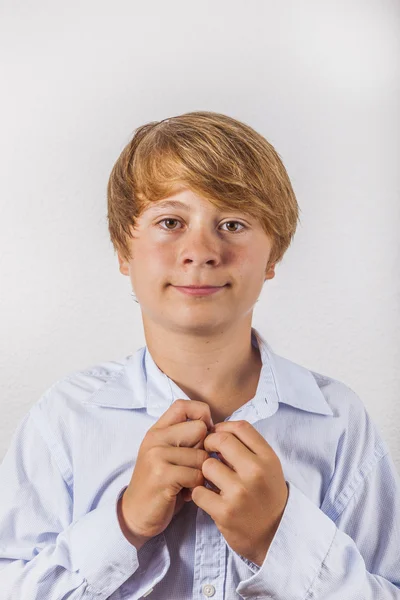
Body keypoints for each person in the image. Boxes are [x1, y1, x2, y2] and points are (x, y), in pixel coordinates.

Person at [0, 111, 399, 599]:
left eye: (232, 223)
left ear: (273, 256)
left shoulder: (339, 423)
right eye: (170, 221)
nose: (201, 251)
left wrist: (279, 537)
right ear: (123, 250)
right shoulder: (64, 420)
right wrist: (123, 524)